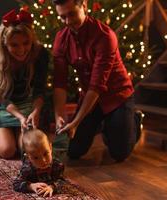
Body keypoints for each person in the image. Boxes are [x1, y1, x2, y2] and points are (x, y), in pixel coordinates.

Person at [52, 0, 142, 162]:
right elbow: (60, 82)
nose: (68, 22)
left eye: (72, 14)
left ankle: (134, 119)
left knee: (119, 153)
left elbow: (96, 85)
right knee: (73, 150)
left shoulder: (105, 36)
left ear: (84, 5)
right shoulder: (61, 38)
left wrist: (76, 122)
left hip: (117, 96)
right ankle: (105, 123)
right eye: (62, 17)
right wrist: (59, 115)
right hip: (90, 100)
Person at [0, 9, 49, 159]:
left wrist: (36, 111)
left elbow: (40, 89)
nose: (21, 50)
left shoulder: (40, 53)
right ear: (4, 44)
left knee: (26, 149)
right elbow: (2, 96)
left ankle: (12, 134)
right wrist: (19, 117)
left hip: (27, 102)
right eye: (14, 45)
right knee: (7, 151)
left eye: (26, 43)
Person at [13, 129, 65, 197]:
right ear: (29, 158)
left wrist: (52, 187)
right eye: (36, 158)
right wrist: (31, 186)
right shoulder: (27, 168)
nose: (43, 160)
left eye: (45, 154)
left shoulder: (57, 165)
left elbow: (62, 181)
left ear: (50, 148)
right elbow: (16, 184)